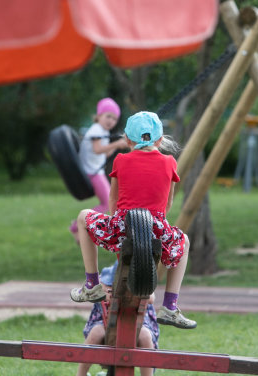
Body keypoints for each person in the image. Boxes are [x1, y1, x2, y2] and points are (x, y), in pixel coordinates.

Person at [69, 111, 196, 330]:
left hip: (122, 226)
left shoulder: (121, 159)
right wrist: (156, 225)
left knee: (82, 217)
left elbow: (113, 199)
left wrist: (113, 226)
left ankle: (92, 284)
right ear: (159, 139)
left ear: (127, 139)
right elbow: (168, 203)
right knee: (183, 241)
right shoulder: (169, 162)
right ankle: (170, 306)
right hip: (155, 227)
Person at [64, 262, 161, 376]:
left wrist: (138, 294)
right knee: (96, 333)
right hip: (105, 321)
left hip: (137, 323)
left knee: (145, 337)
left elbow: (151, 297)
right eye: (110, 285)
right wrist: (107, 293)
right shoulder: (105, 281)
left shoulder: (141, 282)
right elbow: (97, 290)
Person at [69, 98, 128, 243]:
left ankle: (80, 227)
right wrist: (117, 143)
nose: (111, 121)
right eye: (108, 116)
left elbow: (105, 153)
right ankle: (77, 226)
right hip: (92, 171)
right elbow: (97, 149)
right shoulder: (96, 129)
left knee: (109, 202)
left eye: (114, 119)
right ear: (99, 115)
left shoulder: (103, 131)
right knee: (108, 203)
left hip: (96, 171)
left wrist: (116, 146)